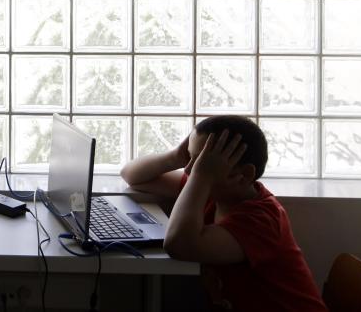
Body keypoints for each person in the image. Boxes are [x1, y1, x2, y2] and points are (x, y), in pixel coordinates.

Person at [120, 115, 327, 312]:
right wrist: (176, 156)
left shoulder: (261, 220)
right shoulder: (212, 191)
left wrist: (202, 176)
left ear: (244, 175)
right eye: (191, 159)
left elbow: (179, 244)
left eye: (202, 164)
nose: (189, 170)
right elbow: (132, 175)